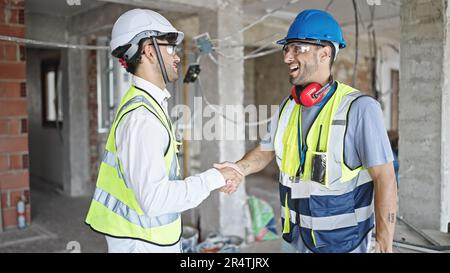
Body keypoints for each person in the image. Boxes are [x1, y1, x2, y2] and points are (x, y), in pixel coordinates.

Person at [216, 9, 398, 253]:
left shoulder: (360, 108)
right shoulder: (288, 106)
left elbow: (385, 178)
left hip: (344, 244)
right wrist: (240, 168)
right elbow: (265, 151)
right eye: (287, 49)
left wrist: (385, 245)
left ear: (324, 54)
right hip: (294, 239)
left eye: (298, 49)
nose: (287, 58)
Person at [85, 9, 242, 253]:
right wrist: (214, 178)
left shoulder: (148, 105)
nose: (177, 56)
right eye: (170, 48)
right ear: (149, 50)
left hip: (147, 240)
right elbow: (155, 199)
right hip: (142, 244)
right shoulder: (142, 117)